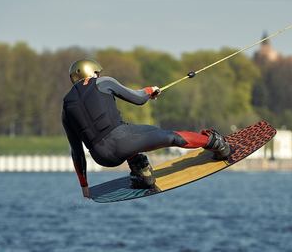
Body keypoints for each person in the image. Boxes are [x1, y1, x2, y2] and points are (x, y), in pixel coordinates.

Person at [62, 59, 231, 198]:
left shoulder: (66, 107)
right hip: (124, 140)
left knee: (143, 131)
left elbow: (76, 151)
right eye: (97, 72)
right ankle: (215, 143)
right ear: (91, 72)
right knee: (170, 137)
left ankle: (142, 173)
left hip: (102, 157)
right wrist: (150, 90)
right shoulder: (103, 82)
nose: (99, 75)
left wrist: (84, 186)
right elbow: (139, 99)